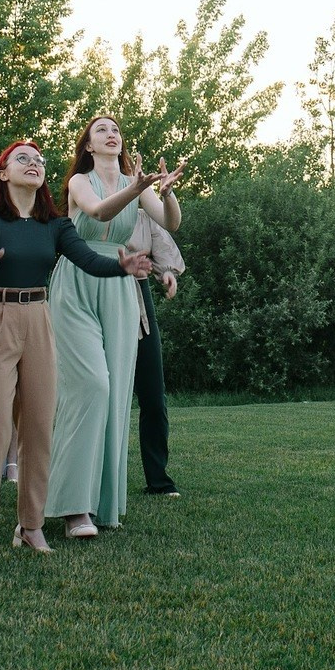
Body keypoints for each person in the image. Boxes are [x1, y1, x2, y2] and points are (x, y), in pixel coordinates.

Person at [0, 140, 151, 568]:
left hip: (40, 320)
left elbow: (87, 258)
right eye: (22, 159)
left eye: (39, 160)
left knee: (39, 428)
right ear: (4, 172)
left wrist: (121, 267)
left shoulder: (55, 224)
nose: (34, 164)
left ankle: (30, 527)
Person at [47, 117, 182, 538]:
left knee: (117, 393)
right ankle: (73, 508)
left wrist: (165, 191)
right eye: (101, 129)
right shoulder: (79, 183)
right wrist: (138, 189)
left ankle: (102, 506)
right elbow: (99, 211)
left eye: (116, 130)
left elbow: (171, 223)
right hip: (79, 281)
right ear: (88, 144)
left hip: (122, 289)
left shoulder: (134, 182)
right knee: (92, 385)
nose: (111, 134)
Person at [126, 205, 186, 498]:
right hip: (98, 293)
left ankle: (158, 479)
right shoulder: (88, 202)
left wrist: (167, 273)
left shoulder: (140, 214)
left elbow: (163, 246)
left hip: (138, 296)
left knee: (153, 392)